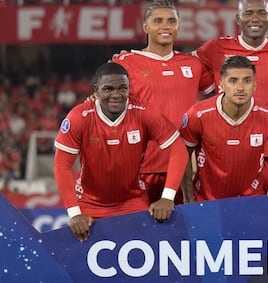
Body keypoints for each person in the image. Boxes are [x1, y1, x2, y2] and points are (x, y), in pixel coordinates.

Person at [54, 62, 189, 242]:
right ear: (96, 90)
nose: (116, 95)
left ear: (129, 89)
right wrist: (74, 212)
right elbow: (62, 165)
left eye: (122, 88)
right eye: (108, 89)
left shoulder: (144, 112)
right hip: (89, 203)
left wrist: (167, 198)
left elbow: (178, 151)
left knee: (141, 260)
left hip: (132, 202)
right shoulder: (79, 117)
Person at [193, 0, 268, 192]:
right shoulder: (217, 47)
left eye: (262, 13)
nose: (255, 18)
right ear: (238, 19)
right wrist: (211, 90)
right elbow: (185, 65)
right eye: (248, 13)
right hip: (225, 152)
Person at [114, 0, 215, 203]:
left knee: (184, 232)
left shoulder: (193, 65)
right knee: (139, 233)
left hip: (184, 169)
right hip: (139, 168)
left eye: (171, 21)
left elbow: (219, 98)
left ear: (178, 26)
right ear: (146, 27)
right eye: (158, 21)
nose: (165, 26)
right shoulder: (125, 63)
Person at [179, 56, 268, 201]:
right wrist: (188, 198)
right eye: (233, 81)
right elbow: (182, 155)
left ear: (255, 85)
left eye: (247, 81)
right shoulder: (198, 115)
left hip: (253, 199)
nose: (240, 88)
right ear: (221, 85)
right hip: (207, 200)